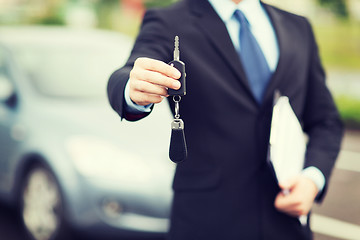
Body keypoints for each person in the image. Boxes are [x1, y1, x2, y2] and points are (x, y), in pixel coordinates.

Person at [107, 0, 343, 239]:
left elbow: (326, 121)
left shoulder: (298, 26)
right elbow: (124, 77)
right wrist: (132, 88)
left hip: (286, 223)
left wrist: (312, 179)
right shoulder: (168, 21)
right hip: (207, 222)